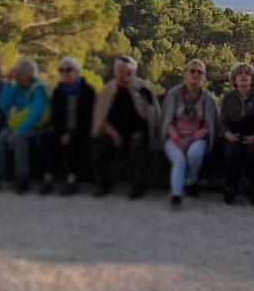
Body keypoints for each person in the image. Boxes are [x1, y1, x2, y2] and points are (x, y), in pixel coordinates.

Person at [91, 55, 162, 199]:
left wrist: (133, 93)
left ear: (134, 72)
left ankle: (138, 185)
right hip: (113, 131)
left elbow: (146, 116)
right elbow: (100, 118)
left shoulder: (144, 89)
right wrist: (113, 134)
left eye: (127, 72)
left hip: (137, 131)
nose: (122, 75)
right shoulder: (108, 89)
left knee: (138, 144)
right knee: (98, 144)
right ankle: (102, 183)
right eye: (118, 71)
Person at [0, 58, 49, 194]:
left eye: (19, 74)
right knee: (1, 137)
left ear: (28, 74)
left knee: (19, 137)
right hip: (17, 125)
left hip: (36, 126)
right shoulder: (16, 87)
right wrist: (8, 83)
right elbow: (4, 105)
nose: (17, 77)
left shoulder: (39, 88)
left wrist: (17, 131)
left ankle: (22, 178)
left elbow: (36, 113)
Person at [161, 59, 219, 209]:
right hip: (174, 137)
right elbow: (167, 121)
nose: (195, 74)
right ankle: (176, 195)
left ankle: (191, 181)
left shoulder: (208, 98)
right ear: (185, 74)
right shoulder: (173, 94)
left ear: (204, 77)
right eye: (192, 71)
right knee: (179, 160)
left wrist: (192, 138)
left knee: (195, 153)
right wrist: (177, 138)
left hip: (197, 138)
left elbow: (209, 124)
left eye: (200, 72)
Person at [40, 56, 96, 195]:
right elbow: (55, 116)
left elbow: (88, 117)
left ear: (76, 72)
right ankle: (48, 178)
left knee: (76, 142)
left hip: (81, 129)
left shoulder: (87, 91)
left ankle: (72, 179)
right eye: (61, 70)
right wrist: (62, 133)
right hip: (61, 130)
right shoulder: (58, 92)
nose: (64, 73)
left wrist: (71, 133)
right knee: (47, 139)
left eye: (68, 70)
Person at [219, 62, 254, 205]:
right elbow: (222, 122)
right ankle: (230, 188)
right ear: (234, 79)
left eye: (247, 73)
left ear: (252, 79)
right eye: (239, 73)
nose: (243, 75)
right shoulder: (228, 98)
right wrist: (227, 134)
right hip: (234, 134)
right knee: (231, 152)